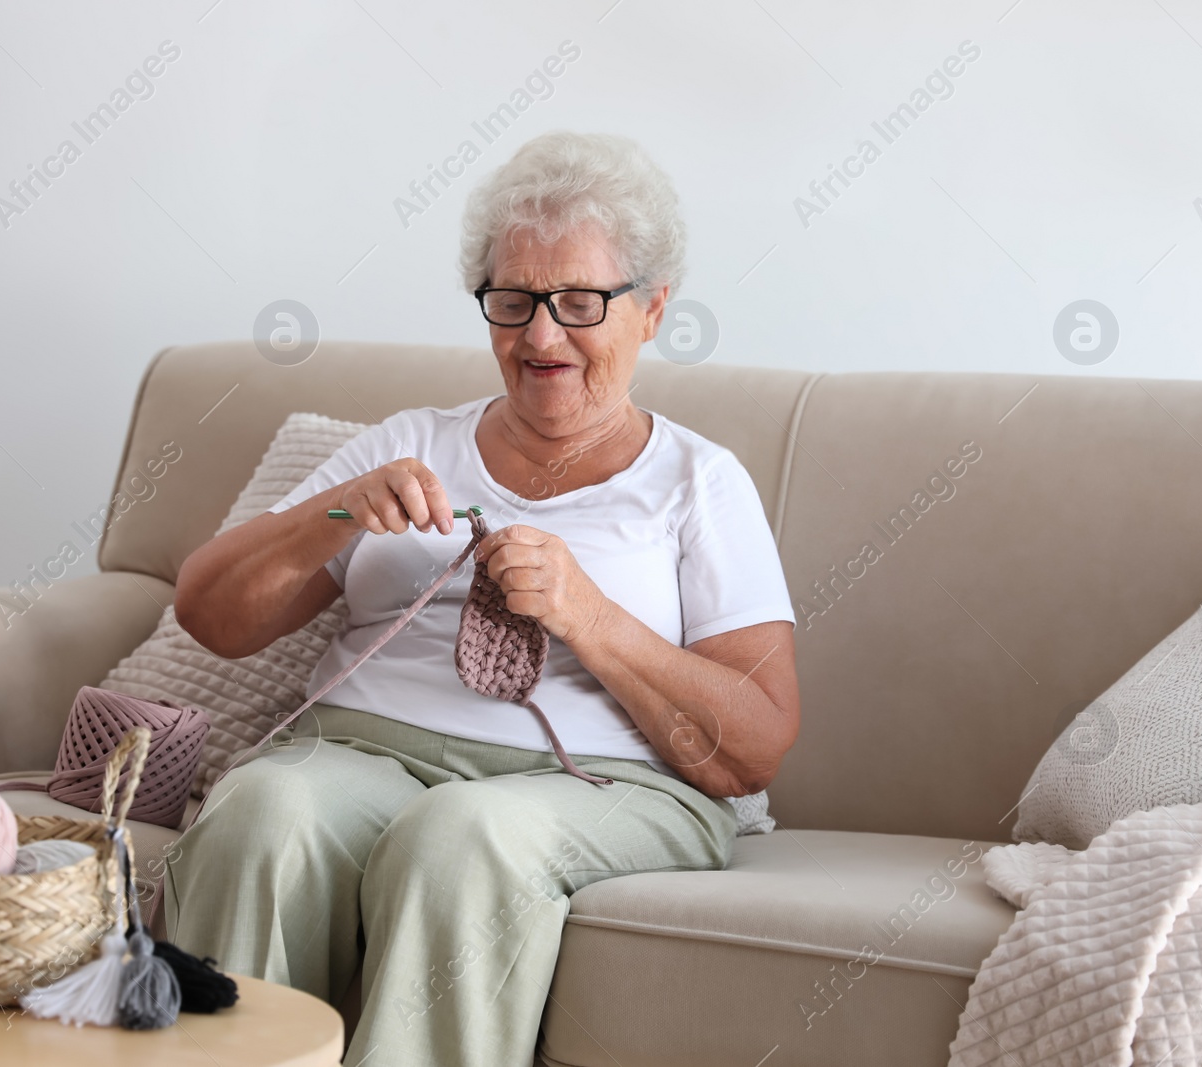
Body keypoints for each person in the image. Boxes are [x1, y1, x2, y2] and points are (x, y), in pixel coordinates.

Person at [166, 130, 799, 1067]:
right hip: (359, 752)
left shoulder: (699, 482)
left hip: (602, 783)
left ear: (652, 309)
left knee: (459, 836)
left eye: (579, 302)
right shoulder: (409, 441)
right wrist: (334, 516)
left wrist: (586, 611)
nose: (541, 336)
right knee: (263, 810)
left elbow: (753, 745)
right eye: (513, 302)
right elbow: (209, 616)